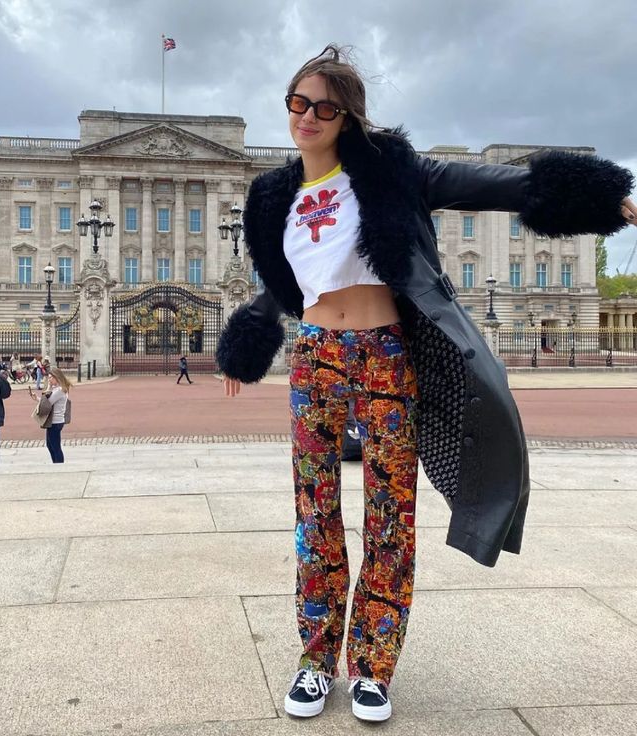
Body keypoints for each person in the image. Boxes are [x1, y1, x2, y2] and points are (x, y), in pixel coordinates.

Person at [216, 44, 636, 723]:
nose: (309, 115)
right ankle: (316, 659)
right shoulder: (271, 194)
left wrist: (608, 202)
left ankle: (373, 667)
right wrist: (247, 342)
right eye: (299, 102)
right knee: (314, 513)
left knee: (390, 512)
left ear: (348, 116)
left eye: (325, 105)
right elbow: (281, 284)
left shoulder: (392, 173)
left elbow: (498, 184)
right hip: (316, 356)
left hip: (385, 352)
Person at [30, 366, 71, 463]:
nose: (49, 379)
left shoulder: (60, 390)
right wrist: (37, 399)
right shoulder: (56, 389)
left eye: (51, 377)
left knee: (55, 446)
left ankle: (59, 464)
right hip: (53, 421)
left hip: (56, 421)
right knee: (50, 445)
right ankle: (55, 462)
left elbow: (47, 403)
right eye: (48, 377)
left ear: (57, 377)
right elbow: (47, 402)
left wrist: (48, 388)